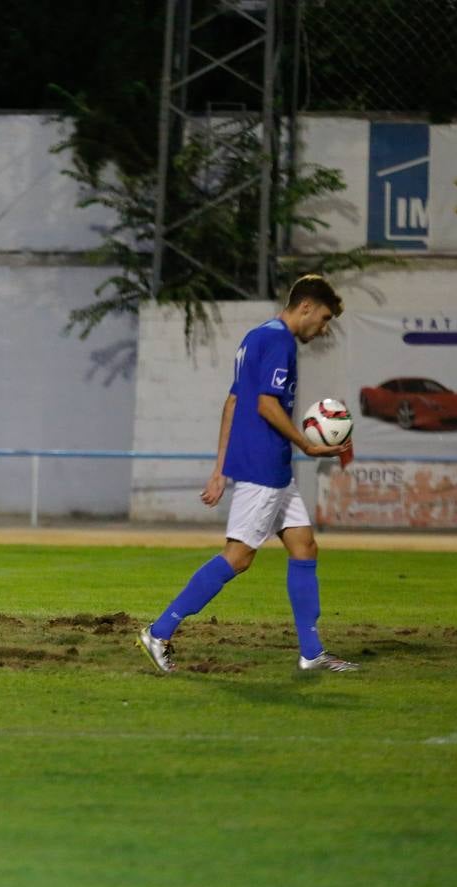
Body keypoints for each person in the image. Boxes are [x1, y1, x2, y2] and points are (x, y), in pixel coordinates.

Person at [137, 274, 360, 674]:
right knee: (238, 558)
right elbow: (265, 407)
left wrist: (219, 469)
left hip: (270, 466)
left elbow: (233, 402)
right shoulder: (280, 342)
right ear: (305, 306)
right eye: (324, 318)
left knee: (305, 547)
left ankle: (311, 653)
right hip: (263, 467)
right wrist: (307, 446)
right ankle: (159, 631)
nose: (324, 328)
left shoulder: (256, 337)